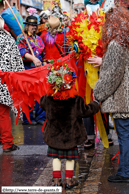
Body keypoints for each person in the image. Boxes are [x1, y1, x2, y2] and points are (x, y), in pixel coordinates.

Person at [40, 61, 99, 188]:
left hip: (54, 136)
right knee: (70, 158)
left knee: (56, 158)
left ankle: (56, 181)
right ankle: (69, 180)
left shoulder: (48, 98)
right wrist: (95, 104)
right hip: (71, 137)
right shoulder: (76, 100)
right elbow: (86, 111)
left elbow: (42, 104)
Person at [93, 6, 129, 182]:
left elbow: (112, 75)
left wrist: (97, 93)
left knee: (125, 136)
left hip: (124, 100)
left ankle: (125, 172)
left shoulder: (117, 44)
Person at [0, 16, 25, 152]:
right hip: (3, 81)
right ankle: (7, 144)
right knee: (3, 113)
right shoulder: (8, 39)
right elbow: (17, 62)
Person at [16, 15, 46, 125]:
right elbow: (21, 51)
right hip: (27, 68)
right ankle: (27, 118)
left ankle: (41, 116)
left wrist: (44, 61)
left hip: (39, 69)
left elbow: (43, 52)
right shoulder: (21, 37)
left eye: (35, 25)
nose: (34, 27)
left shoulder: (38, 38)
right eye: (31, 25)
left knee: (41, 93)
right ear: (27, 26)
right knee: (27, 94)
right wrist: (33, 58)